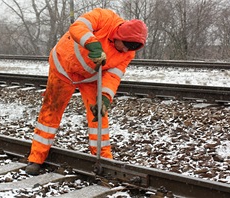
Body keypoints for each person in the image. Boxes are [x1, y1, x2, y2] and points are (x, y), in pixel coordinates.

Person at [25, 8, 148, 175]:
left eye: (131, 48)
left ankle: (103, 160)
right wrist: (92, 43)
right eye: (125, 46)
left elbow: (113, 76)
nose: (126, 51)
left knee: (99, 114)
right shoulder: (103, 17)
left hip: (91, 77)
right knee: (51, 112)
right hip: (63, 69)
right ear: (119, 36)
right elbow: (77, 27)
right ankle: (36, 158)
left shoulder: (128, 54)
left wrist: (105, 97)